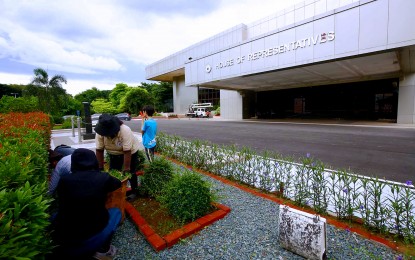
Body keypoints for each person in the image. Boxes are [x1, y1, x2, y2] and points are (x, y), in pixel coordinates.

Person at [52, 148, 121, 259]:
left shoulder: (64, 180)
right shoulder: (103, 178)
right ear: (94, 161)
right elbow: (117, 183)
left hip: (66, 238)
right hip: (92, 237)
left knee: (55, 215)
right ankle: (103, 249)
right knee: (116, 212)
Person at [94, 113, 141, 197]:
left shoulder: (125, 130)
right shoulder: (100, 132)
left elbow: (127, 151)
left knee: (131, 172)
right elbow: (99, 150)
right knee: (113, 171)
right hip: (113, 153)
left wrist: (126, 169)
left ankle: (134, 191)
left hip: (130, 152)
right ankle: (116, 191)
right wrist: (100, 168)